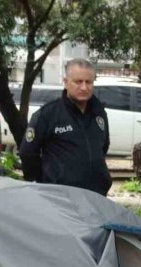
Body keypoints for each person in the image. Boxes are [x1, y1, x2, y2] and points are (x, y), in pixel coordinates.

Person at [19, 58, 112, 196]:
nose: (84, 87)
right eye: (78, 82)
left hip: (96, 197)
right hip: (61, 198)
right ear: (66, 82)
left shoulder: (99, 113)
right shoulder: (48, 114)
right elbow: (28, 154)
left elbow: (103, 146)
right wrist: (43, 184)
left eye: (89, 82)